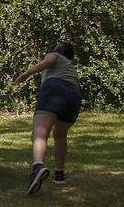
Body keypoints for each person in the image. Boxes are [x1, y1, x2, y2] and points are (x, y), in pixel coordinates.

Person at [11, 40, 83, 195]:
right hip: (74, 96)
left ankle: (38, 166)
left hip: (55, 89)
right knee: (60, 135)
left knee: (40, 131)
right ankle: (59, 174)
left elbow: (48, 61)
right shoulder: (70, 66)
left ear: (59, 50)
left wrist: (25, 74)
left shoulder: (54, 55)